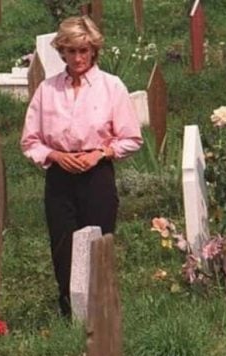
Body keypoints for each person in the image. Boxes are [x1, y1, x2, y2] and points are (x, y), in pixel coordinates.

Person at [20, 16, 142, 317]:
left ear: (94, 51)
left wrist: (100, 153)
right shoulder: (47, 90)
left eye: (84, 51)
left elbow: (131, 138)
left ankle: (102, 313)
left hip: (96, 175)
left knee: (99, 243)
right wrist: (55, 156)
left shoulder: (111, 87)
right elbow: (30, 141)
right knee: (63, 245)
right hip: (60, 177)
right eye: (71, 51)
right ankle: (70, 312)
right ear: (62, 52)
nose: (78, 58)